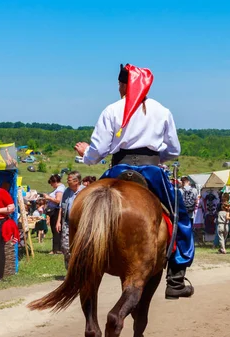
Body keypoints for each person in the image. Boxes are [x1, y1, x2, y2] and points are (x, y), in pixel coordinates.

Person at [74, 63, 194, 299]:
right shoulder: (162, 111)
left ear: (122, 85)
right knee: (180, 216)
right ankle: (176, 278)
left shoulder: (111, 110)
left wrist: (85, 154)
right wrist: (158, 156)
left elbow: (97, 151)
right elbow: (174, 150)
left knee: (88, 204)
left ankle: (77, 260)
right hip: (152, 171)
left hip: (118, 168)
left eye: (119, 84)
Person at [57, 171, 83, 269]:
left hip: (81, 224)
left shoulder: (85, 191)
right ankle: (69, 270)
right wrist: (58, 221)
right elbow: (61, 207)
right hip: (67, 223)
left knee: (80, 248)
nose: (67, 182)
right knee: (65, 247)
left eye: (69, 180)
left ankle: (80, 270)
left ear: (76, 181)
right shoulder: (67, 191)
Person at [43, 174, 66, 255]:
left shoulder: (60, 189)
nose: (51, 185)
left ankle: (56, 249)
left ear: (55, 182)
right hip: (55, 210)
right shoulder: (59, 188)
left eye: (51, 183)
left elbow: (58, 200)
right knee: (56, 230)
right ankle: (58, 248)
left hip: (56, 211)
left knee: (55, 230)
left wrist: (48, 197)